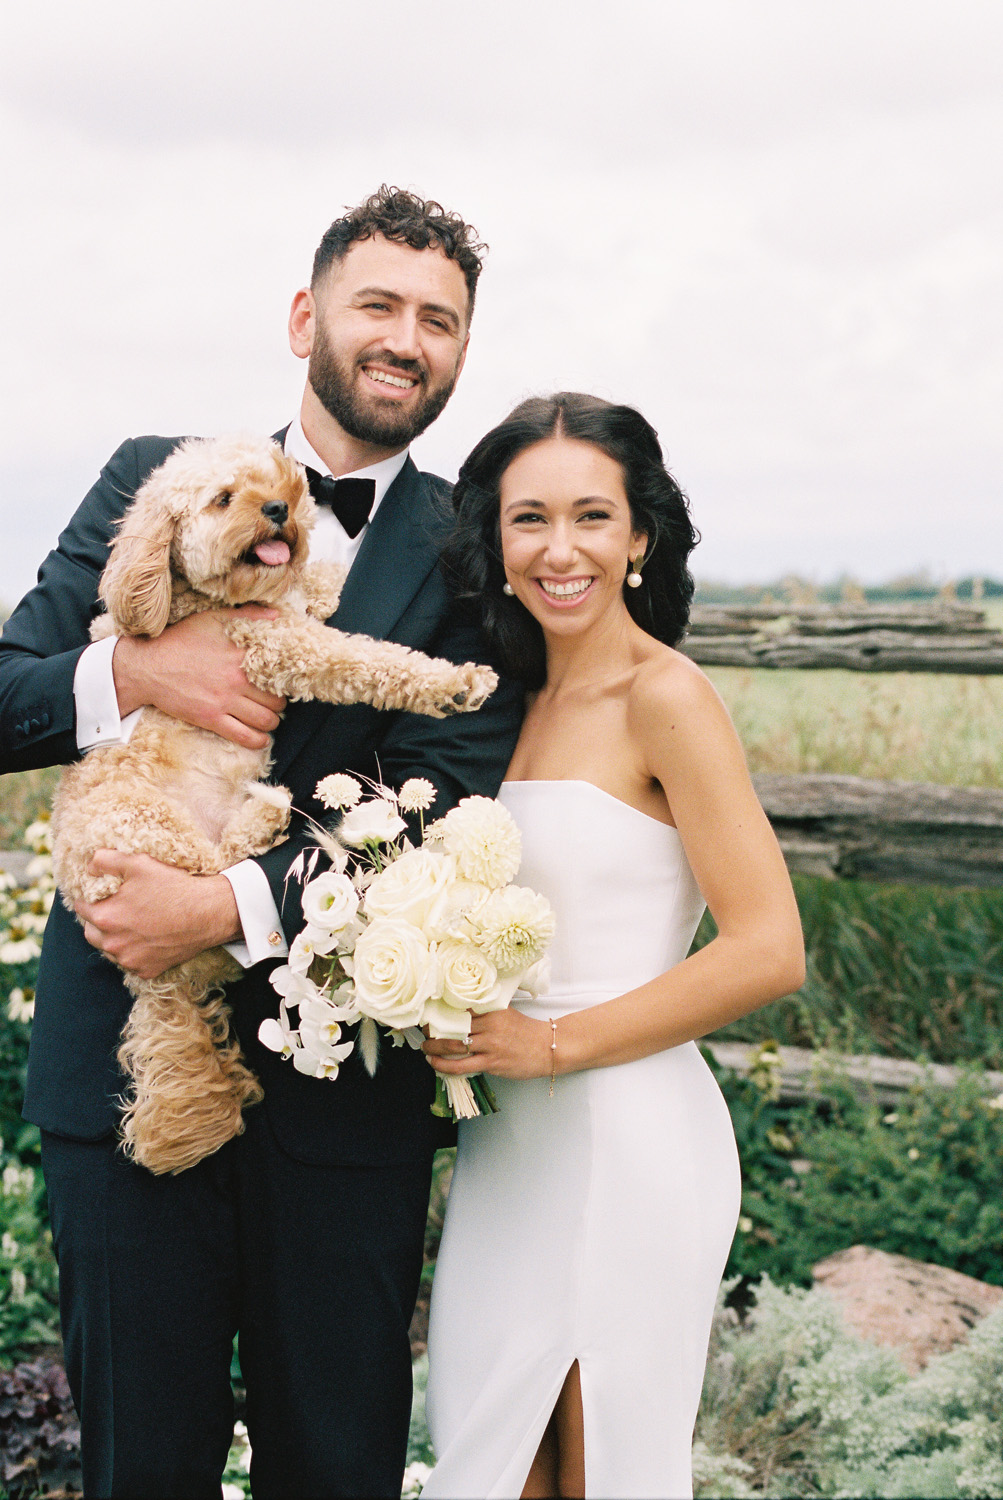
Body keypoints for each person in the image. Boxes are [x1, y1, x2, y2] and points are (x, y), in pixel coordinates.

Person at [0, 187, 523, 1499]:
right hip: (121, 1076)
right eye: (379, 306)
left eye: (439, 322)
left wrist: (225, 904)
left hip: (344, 1106)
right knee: (142, 1465)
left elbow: (445, 799)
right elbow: (8, 691)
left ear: (460, 351)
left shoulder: (474, 548)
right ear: (306, 318)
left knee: (336, 1466)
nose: (406, 339)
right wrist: (132, 670)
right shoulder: (151, 475)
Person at [421, 392, 806, 1500]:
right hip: (506, 1155)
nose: (559, 549)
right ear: (494, 540)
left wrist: (550, 1047)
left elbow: (768, 947)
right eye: (527, 518)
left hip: (629, 1141)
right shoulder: (498, 701)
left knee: (604, 1477)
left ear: (639, 536)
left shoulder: (665, 696)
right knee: (493, 1469)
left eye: (592, 517)